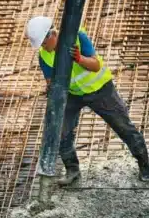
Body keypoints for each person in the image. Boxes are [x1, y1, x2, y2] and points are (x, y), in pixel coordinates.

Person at [26, 16, 149, 184]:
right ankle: (72, 171)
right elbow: (50, 81)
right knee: (61, 130)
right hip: (72, 94)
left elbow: (95, 65)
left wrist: (79, 59)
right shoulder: (44, 56)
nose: (43, 48)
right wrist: (51, 90)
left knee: (123, 126)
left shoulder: (77, 36)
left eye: (43, 43)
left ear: (51, 35)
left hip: (100, 90)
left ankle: (145, 166)